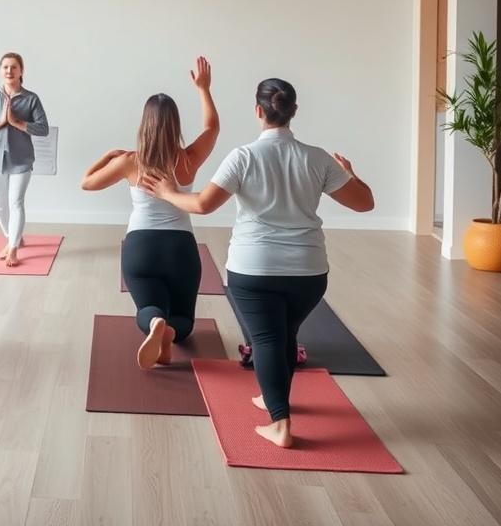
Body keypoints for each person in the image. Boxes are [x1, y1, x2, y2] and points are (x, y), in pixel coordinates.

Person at [141, 78, 374, 448]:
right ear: (293, 112)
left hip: (254, 270)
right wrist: (351, 172)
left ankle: (280, 424)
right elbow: (365, 203)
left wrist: (168, 192)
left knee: (266, 339)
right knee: (285, 334)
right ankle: (271, 395)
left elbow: (201, 205)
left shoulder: (243, 157)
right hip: (309, 274)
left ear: (258, 111)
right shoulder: (318, 158)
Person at [81, 57, 219, 369]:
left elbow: (86, 184)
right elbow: (212, 126)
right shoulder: (188, 159)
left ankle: (155, 322)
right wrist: (203, 89)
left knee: (149, 306)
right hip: (181, 250)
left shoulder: (130, 161)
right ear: (175, 125)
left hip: (140, 248)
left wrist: (105, 157)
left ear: (145, 124)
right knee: (184, 321)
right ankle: (169, 332)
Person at [0, 52, 49, 267]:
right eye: (5, 67)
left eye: (14, 67)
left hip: (22, 160)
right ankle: (11, 237)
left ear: (21, 71)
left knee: (16, 202)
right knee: (0, 205)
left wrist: (16, 122)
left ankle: (13, 248)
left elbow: (43, 129)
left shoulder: (31, 99)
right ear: (0, 70)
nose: (9, 71)